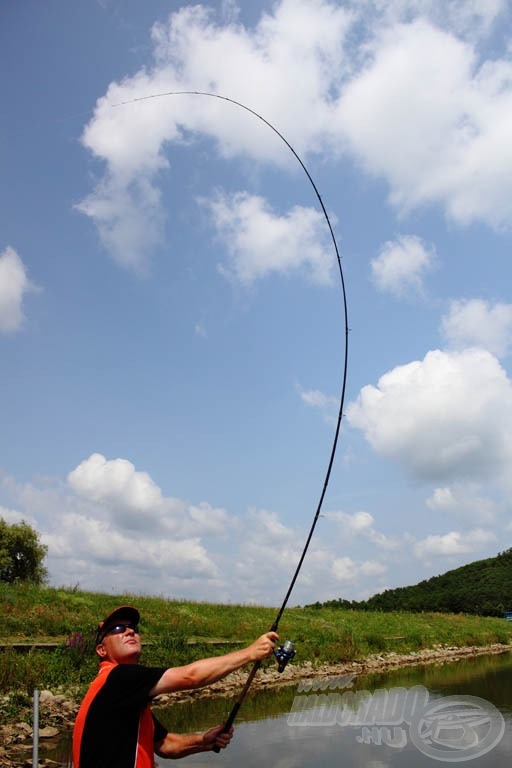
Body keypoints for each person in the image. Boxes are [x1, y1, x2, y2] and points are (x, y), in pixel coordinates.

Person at [72, 605, 278, 767]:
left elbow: (165, 744)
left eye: (133, 628)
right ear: (101, 650)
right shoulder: (116, 678)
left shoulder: (126, 697)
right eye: (118, 629)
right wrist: (250, 653)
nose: (129, 632)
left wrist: (205, 741)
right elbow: (191, 677)